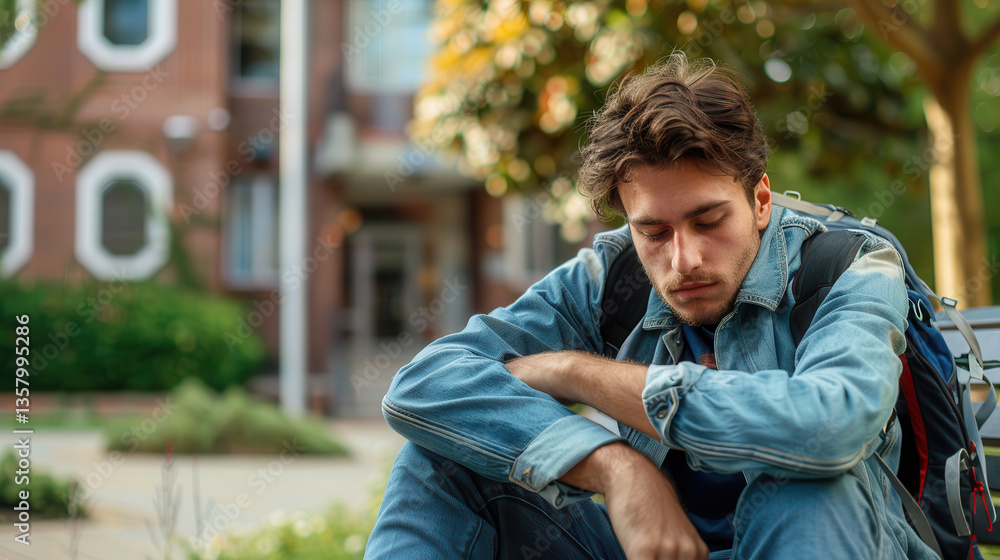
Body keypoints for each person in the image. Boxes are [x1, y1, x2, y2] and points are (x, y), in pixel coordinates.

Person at [363, 52, 937, 560]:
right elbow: (424, 384)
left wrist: (574, 372)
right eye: (654, 232)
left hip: (821, 538)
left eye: (709, 221)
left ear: (760, 201)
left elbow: (830, 424)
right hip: (650, 547)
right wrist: (616, 466)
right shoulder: (611, 276)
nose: (683, 259)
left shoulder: (849, 267)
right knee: (437, 461)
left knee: (810, 482)